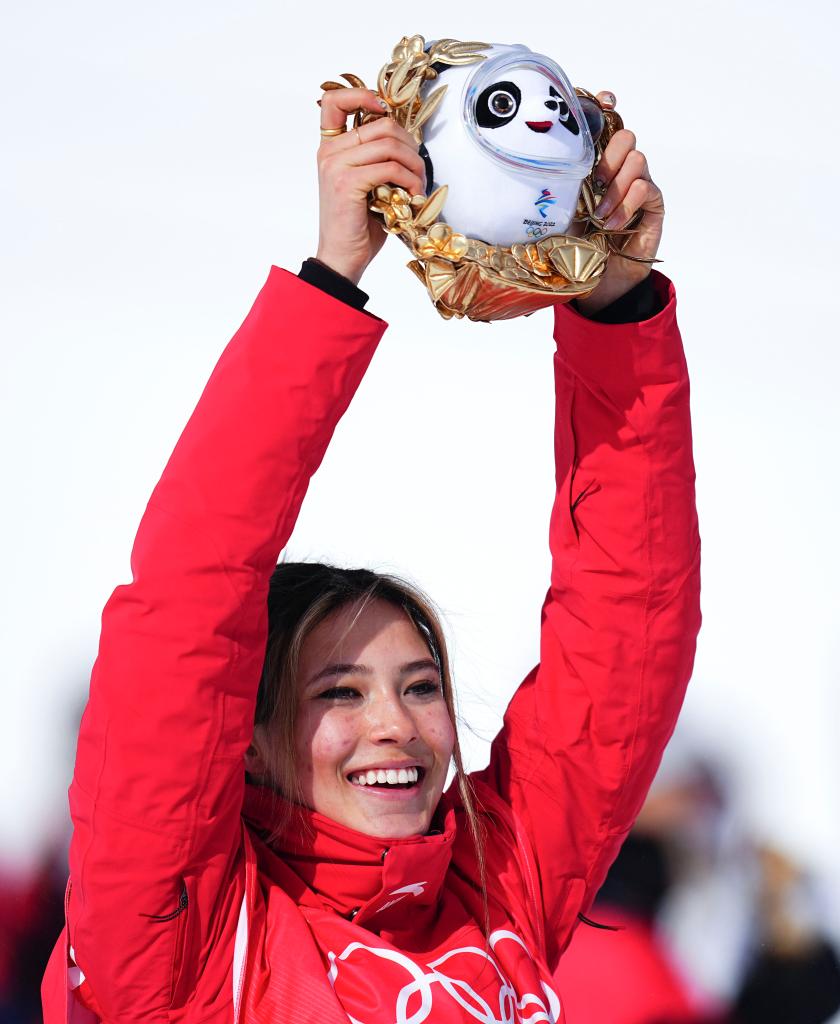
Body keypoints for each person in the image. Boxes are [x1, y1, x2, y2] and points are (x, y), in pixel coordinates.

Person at [41, 82, 701, 1023]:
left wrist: (617, 306)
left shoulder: (500, 889)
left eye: (420, 685)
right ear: (251, 741)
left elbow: (629, 634)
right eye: (337, 693)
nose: (395, 724)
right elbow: (188, 606)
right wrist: (331, 276)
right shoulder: (180, 939)